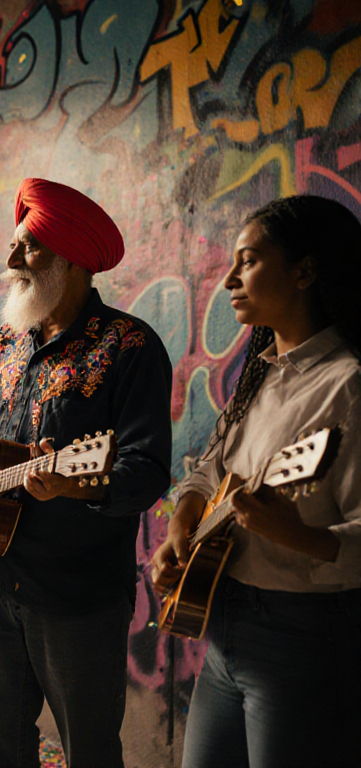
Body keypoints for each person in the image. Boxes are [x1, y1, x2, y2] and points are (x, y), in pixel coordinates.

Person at [0, 178, 172, 768]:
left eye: (29, 248)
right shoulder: (7, 338)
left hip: (78, 593)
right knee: (0, 741)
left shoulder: (130, 346)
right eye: (15, 245)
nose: (12, 259)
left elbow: (145, 471)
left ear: (71, 261)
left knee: (88, 747)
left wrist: (75, 483)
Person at [151, 196, 361, 768]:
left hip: (304, 637)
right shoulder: (261, 371)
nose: (228, 282)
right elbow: (205, 471)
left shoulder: (349, 386)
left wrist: (295, 532)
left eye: (247, 261)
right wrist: (180, 529)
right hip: (225, 626)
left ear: (304, 271)